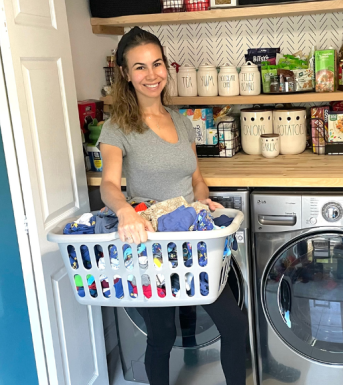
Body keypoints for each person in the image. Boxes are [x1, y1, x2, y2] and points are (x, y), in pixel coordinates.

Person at [97, 27, 248, 385]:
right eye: (140, 67)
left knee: (233, 322)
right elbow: (108, 184)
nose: (152, 75)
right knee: (163, 333)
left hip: (192, 239)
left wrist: (202, 201)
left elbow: (196, 178)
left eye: (157, 64)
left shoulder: (182, 120)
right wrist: (125, 213)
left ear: (167, 66)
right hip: (153, 245)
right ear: (124, 73)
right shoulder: (117, 127)